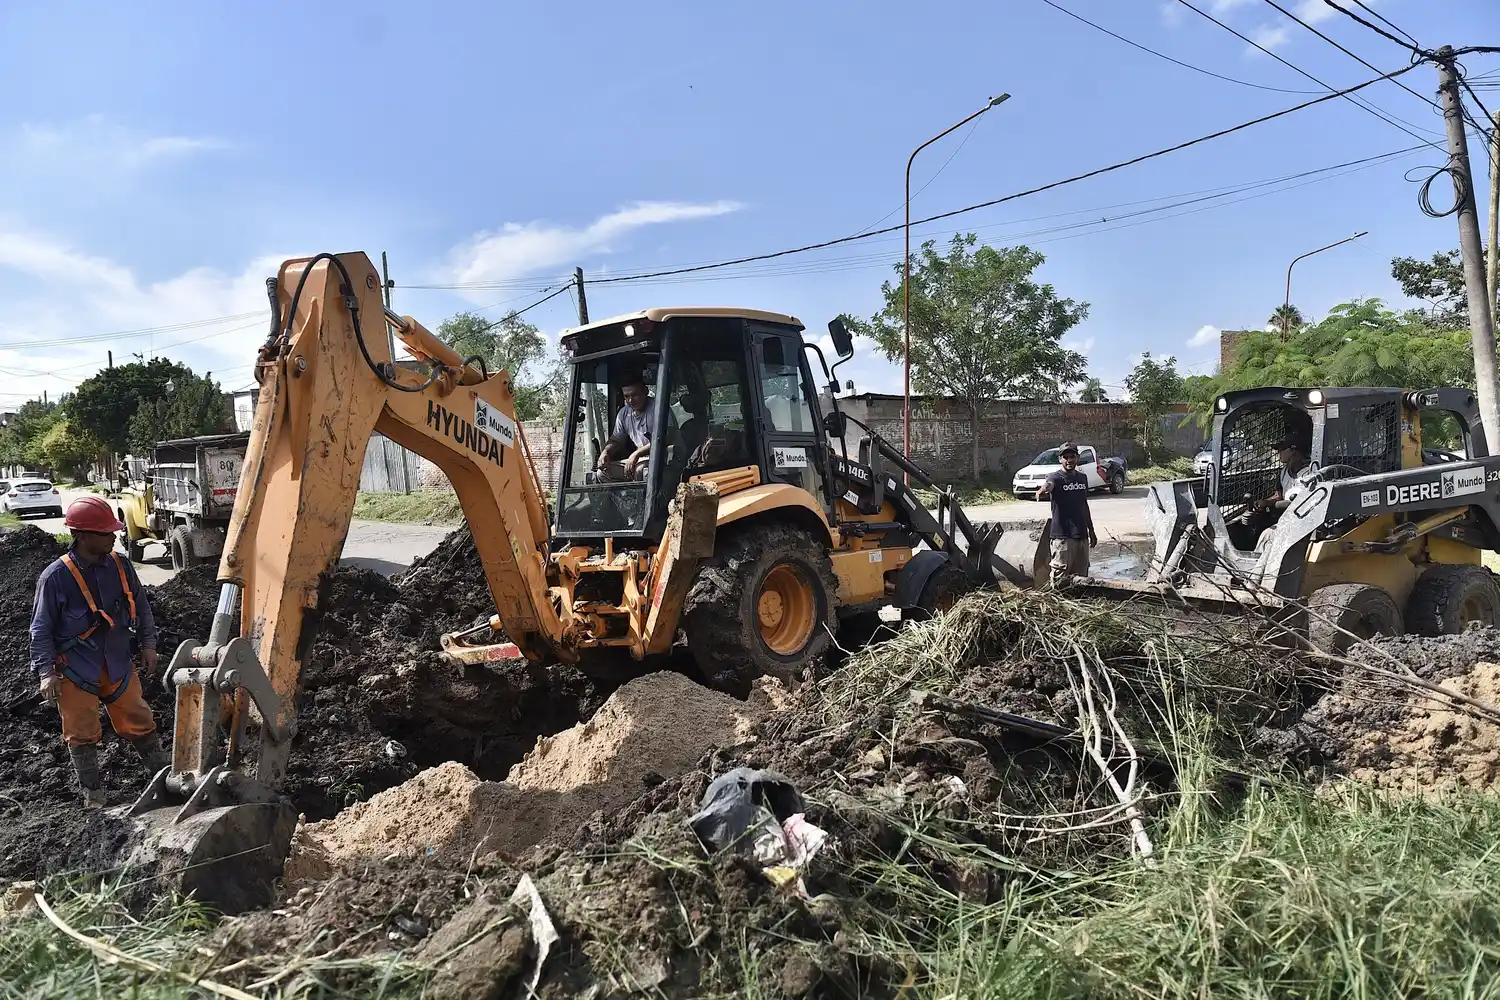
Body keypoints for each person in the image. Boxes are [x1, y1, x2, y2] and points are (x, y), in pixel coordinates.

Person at [29, 496, 166, 807]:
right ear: (82, 535)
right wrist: (46, 673)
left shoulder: (121, 565)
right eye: (106, 532)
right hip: (76, 669)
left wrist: (148, 644)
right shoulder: (55, 577)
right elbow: (40, 629)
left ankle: (164, 782)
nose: (114, 536)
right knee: (81, 733)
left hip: (118, 662)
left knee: (140, 719)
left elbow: (142, 607)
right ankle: (94, 800)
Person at [1037, 444, 1097, 587]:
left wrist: (1091, 530)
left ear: (1077, 458)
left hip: (1082, 536)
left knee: (1081, 580)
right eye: (1066, 457)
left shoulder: (1082, 478)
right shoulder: (1055, 477)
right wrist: (1042, 490)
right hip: (1063, 538)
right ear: (1060, 459)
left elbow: (1084, 505)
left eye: (1072, 457)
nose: (1069, 460)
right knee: (1060, 580)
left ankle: (1078, 605)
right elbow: (1048, 485)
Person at [595, 376, 674, 482]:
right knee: (603, 472)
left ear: (645, 391)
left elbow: (666, 437)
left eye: (635, 395)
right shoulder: (624, 414)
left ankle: (645, 499)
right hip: (638, 459)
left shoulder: (659, 408)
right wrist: (605, 452)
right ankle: (623, 499)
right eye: (626, 396)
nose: (630, 400)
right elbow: (617, 440)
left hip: (664, 460)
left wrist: (636, 454)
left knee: (641, 470)